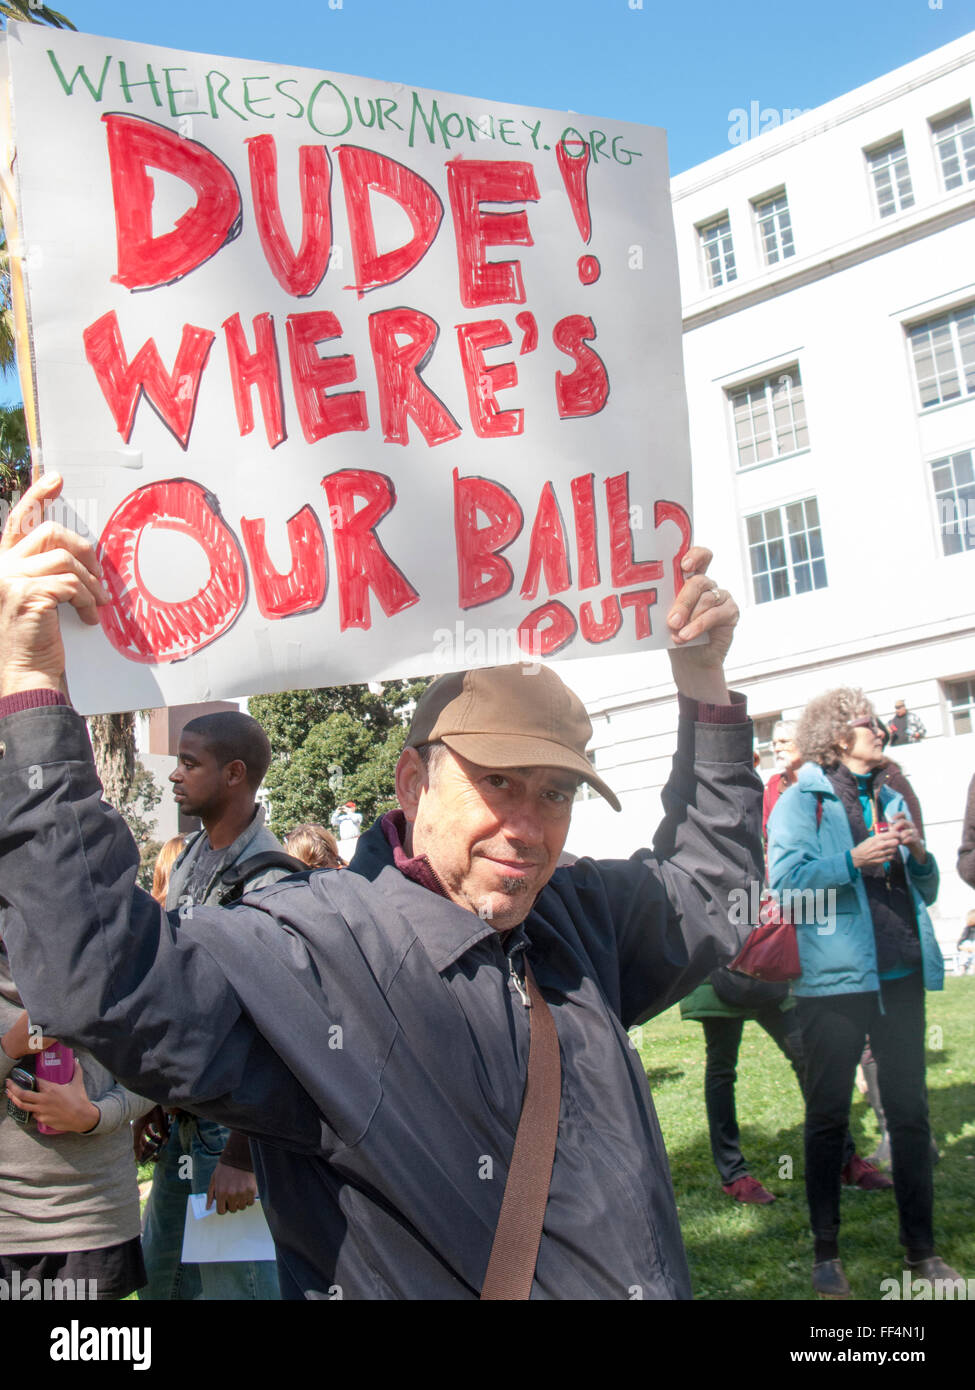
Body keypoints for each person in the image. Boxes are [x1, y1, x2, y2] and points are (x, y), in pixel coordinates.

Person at [0, 474, 762, 1300]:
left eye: (556, 792)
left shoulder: (577, 917)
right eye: (498, 782)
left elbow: (713, 894)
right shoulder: (316, 949)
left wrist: (705, 692)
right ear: (410, 784)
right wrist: (32, 690)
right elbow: (105, 979)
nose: (529, 828)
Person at [767, 688, 958, 1299]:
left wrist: (920, 857)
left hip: (900, 977)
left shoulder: (894, 794)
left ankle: (922, 1255)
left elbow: (923, 894)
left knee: (910, 1116)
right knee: (827, 1120)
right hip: (834, 986)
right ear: (835, 734)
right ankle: (827, 1256)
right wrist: (852, 859)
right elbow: (789, 889)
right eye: (866, 722)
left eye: (877, 722)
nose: (880, 730)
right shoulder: (801, 803)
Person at [140, 711, 290, 1301]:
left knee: (237, 1292)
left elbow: (279, 1029)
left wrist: (243, 1154)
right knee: (159, 1286)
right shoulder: (189, 857)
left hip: (229, 1132)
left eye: (189, 763)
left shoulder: (272, 882)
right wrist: (159, 1096)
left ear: (233, 774)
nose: (174, 776)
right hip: (183, 1122)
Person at [1, 945, 154, 1300]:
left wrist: (93, 1116)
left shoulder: (114, 953)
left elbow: (158, 1072)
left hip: (95, 1217)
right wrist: (12, 1046)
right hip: (7, 1223)